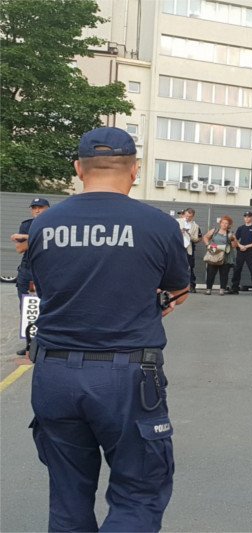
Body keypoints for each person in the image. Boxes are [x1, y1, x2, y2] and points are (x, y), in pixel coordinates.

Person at [26, 127, 189, 531]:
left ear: (79, 169)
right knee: (138, 493)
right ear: (135, 170)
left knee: (68, 495)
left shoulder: (43, 226)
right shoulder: (158, 225)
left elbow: (39, 288)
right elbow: (178, 287)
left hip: (55, 373)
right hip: (127, 374)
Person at [10, 197, 50, 355]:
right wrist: (40, 237)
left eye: (40, 207)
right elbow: (19, 248)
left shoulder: (53, 223)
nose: (37, 210)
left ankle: (45, 341)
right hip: (26, 271)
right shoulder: (26, 224)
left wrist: (28, 238)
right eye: (34, 208)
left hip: (44, 270)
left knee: (46, 307)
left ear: (48, 208)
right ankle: (30, 345)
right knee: (27, 309)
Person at [229, 211, 252, 295]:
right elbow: (235, 239)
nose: (247, 218)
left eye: (248, 216)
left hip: (251, 252)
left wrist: (246, 246)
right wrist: (240, 246)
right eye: (245, 217)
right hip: (240, 252)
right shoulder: (241, 228)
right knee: (237, 270)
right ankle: (234, 289)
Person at [202, 215, 238, 295]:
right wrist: (208, 246)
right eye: (223, 222)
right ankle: (208, 289)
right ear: (220, 223)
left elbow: (234, 246)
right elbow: (205, 237)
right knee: (210, 273)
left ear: (229, 225)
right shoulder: (214, 231)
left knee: (224, 274)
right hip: (214, 254)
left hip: (226, 256)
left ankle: (222, 290)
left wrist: (233, 239)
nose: (224, 224)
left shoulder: (230, 234)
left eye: (226, 223)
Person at [178, 208, 201, 293]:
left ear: (193, 217)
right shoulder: (177, 222)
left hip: (188, 249)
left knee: (189, 268)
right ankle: (174, 286)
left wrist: (188, 234)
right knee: (175, 266)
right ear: (184, 214)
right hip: (177, 248)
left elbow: (196, 239)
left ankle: (192, 285)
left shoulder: (195, 226)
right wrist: (180, 232)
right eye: (187, 215)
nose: (187, 217)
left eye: (190, 216)